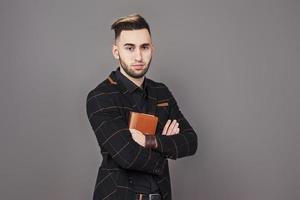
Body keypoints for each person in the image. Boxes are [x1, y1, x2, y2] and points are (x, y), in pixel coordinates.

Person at [86, 13, 198, 200]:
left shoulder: (161, 92)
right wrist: (165, 149)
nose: (138, 56)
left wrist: (150, 141)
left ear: (152, 49)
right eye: (129, 48)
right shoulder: (100, 96)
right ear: (116, 52)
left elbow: (190, 141)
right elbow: (127, 156)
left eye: (144, 47)